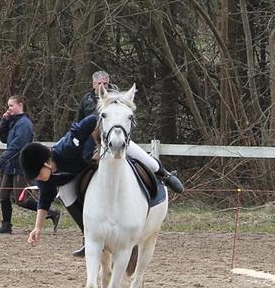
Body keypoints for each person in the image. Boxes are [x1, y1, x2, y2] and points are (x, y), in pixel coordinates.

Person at [20, 106, 184, 257]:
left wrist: (100, 143)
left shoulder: (68, 147)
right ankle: (89, 236)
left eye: (37, 173)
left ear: (46, 163)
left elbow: (92, 120)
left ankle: (165, 175)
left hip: (108, 142)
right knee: (65, 193)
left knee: (147, 161)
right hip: (85, 165)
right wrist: (37, 228)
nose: (37, 178)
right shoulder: (47, 179)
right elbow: (44, 201)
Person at [0, 94, 58, 234]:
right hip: (10, 165)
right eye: (8, 106)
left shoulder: (24, 124)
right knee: (3, 195)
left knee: (21, 199)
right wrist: (4, 121)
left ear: (20, 105)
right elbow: (4, 139)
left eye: (11, 106)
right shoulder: (13, 122)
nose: (9, 109)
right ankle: (6, 225)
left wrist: (1, 159)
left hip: (21, 164)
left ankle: (51, 212)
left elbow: (17, 146)